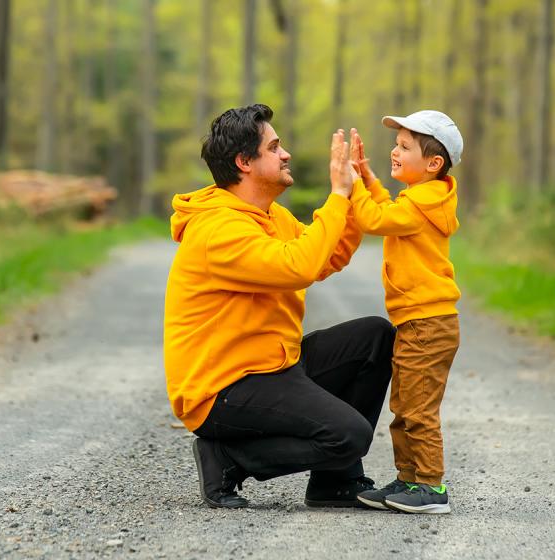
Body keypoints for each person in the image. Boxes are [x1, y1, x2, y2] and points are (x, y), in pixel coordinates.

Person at [163, 104, 395, 509]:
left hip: (271, 365)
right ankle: (228, 458)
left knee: (373, 338)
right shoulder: (218, 230)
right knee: (348, 435)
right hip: (222, 388)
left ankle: (335, 483)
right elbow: (297, 266)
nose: (285, 154)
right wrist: (336, 195)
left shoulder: (272, 216)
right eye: (274, 147)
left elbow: (327, 255)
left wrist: (354, 189)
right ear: (244, 162)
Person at [346, 111, 464, 514]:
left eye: (404, 146)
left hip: (428, 324)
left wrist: (351, 187)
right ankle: (408, 479)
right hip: (418, 322)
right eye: (395, 144)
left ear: (433, 163)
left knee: (418, 409)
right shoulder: (420, 199)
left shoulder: (421, 204)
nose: (394, 151)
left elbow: (373, 218)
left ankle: (431, 486)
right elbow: (386, 210)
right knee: (404, 405)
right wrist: (368, 178)